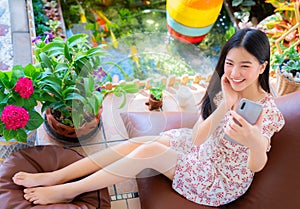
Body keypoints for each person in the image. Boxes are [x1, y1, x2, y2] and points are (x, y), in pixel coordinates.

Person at [12, 28, 285, 207]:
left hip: (219, 180)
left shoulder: (268, 111)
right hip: (199, 152)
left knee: (150, 151)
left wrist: (254, 140)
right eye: (229, 63)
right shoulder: (227, 87)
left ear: (261, 67)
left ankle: (68, 191)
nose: (235, 72)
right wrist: (226, 105)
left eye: (245, 66)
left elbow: (257, 165)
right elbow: (199, 136)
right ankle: (58, 177)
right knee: (135, 144)